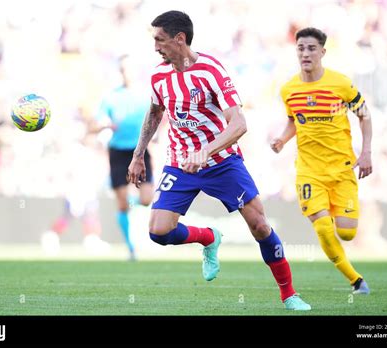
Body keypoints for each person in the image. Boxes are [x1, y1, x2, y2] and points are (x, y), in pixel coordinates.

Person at [127, 10, 311, 310]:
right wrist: (138, 156)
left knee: (260, 226)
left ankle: (289, 294)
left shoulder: (211, 71)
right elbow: (155, 112)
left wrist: (205, 152)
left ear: (179, 39)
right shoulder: (159, 76)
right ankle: (209, 237)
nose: (155, 47)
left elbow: (239, 124)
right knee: (158, 232)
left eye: (160, 40)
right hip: (180, 162)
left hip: (222, 162)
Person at [271, 27, 372, 295]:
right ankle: (356, 280)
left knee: (347, 232)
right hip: (309, 172)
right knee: (324, 228)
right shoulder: (289, 89)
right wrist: (282, 139)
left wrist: (366, 153)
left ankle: (352, 269)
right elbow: (295, 120)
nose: (305, 53)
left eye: (311, 48)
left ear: (322, 52)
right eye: (301, 48)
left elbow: (365, 115)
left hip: (341, 169)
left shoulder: (341, 84)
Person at [93, 54, 154, 260]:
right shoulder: (111, 97)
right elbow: (96, 123)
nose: (128, 72)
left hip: (141, 150)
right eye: (124, 69)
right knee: (121, 203)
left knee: (146, 199)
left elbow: (159, 116)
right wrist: (104, 125)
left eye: (131, 68)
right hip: (118, 151)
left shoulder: (147, 95)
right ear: (121, 72)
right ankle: (131, 248)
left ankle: (133, 212)